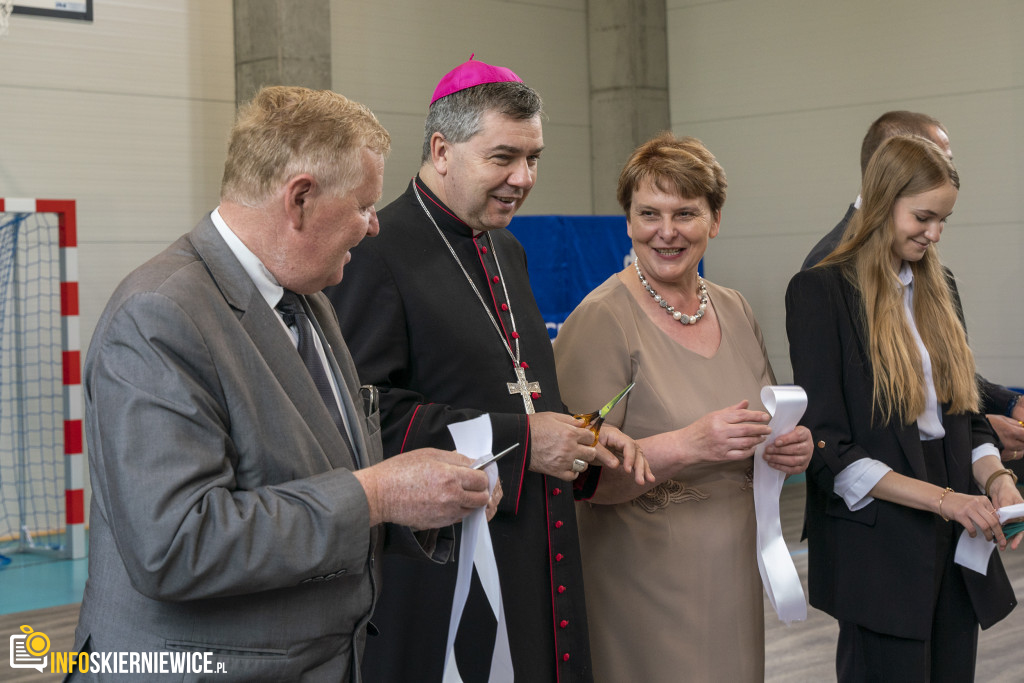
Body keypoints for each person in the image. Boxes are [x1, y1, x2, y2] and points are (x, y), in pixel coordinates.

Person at [71, 86, 498, 682]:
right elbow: (175, 545)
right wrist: (378, 495)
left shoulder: (307, 299)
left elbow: (316, 474)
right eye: (363, 205)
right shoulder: (158, 317)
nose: (374, 226)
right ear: (299, 199)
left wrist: (426, 502)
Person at [325, 56, 650, 682]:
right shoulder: (374, 250)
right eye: (503, 157)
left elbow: (528, 393)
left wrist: (578, 434)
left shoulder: (508, 248)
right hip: (442, 570)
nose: (523, 178)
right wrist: (525, 442)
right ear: (443, 149)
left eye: (534, 158)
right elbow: (366, 418)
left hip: (540, 547)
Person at [553, 133, 812, 682]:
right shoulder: (602, 318)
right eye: (648, 213)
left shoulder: (736, 306)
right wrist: (690, 444)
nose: (665, 232)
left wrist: (787, 445)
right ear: (627, 222)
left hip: (733, 574)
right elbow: (578, 477)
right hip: (642, 583)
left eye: (685, 214)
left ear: (715, 221)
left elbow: (759, 423)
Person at [787, 134, 1023, 682]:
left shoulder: (941, 286)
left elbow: (961, 414)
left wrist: (996, 481)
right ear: (881, 201)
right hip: (879, 537)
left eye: (944, 220)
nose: (934, 234)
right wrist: (944, 501)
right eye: (922, 217)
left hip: (954, 525)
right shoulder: (820, 291)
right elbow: (830, 449)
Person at [801, 110, 1024, 463]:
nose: (934, 233)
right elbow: (852, 415)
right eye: (934, 159)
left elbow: (930, 365)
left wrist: (990, 419)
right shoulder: (828, 270)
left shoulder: (930, 272)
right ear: (891, 167)